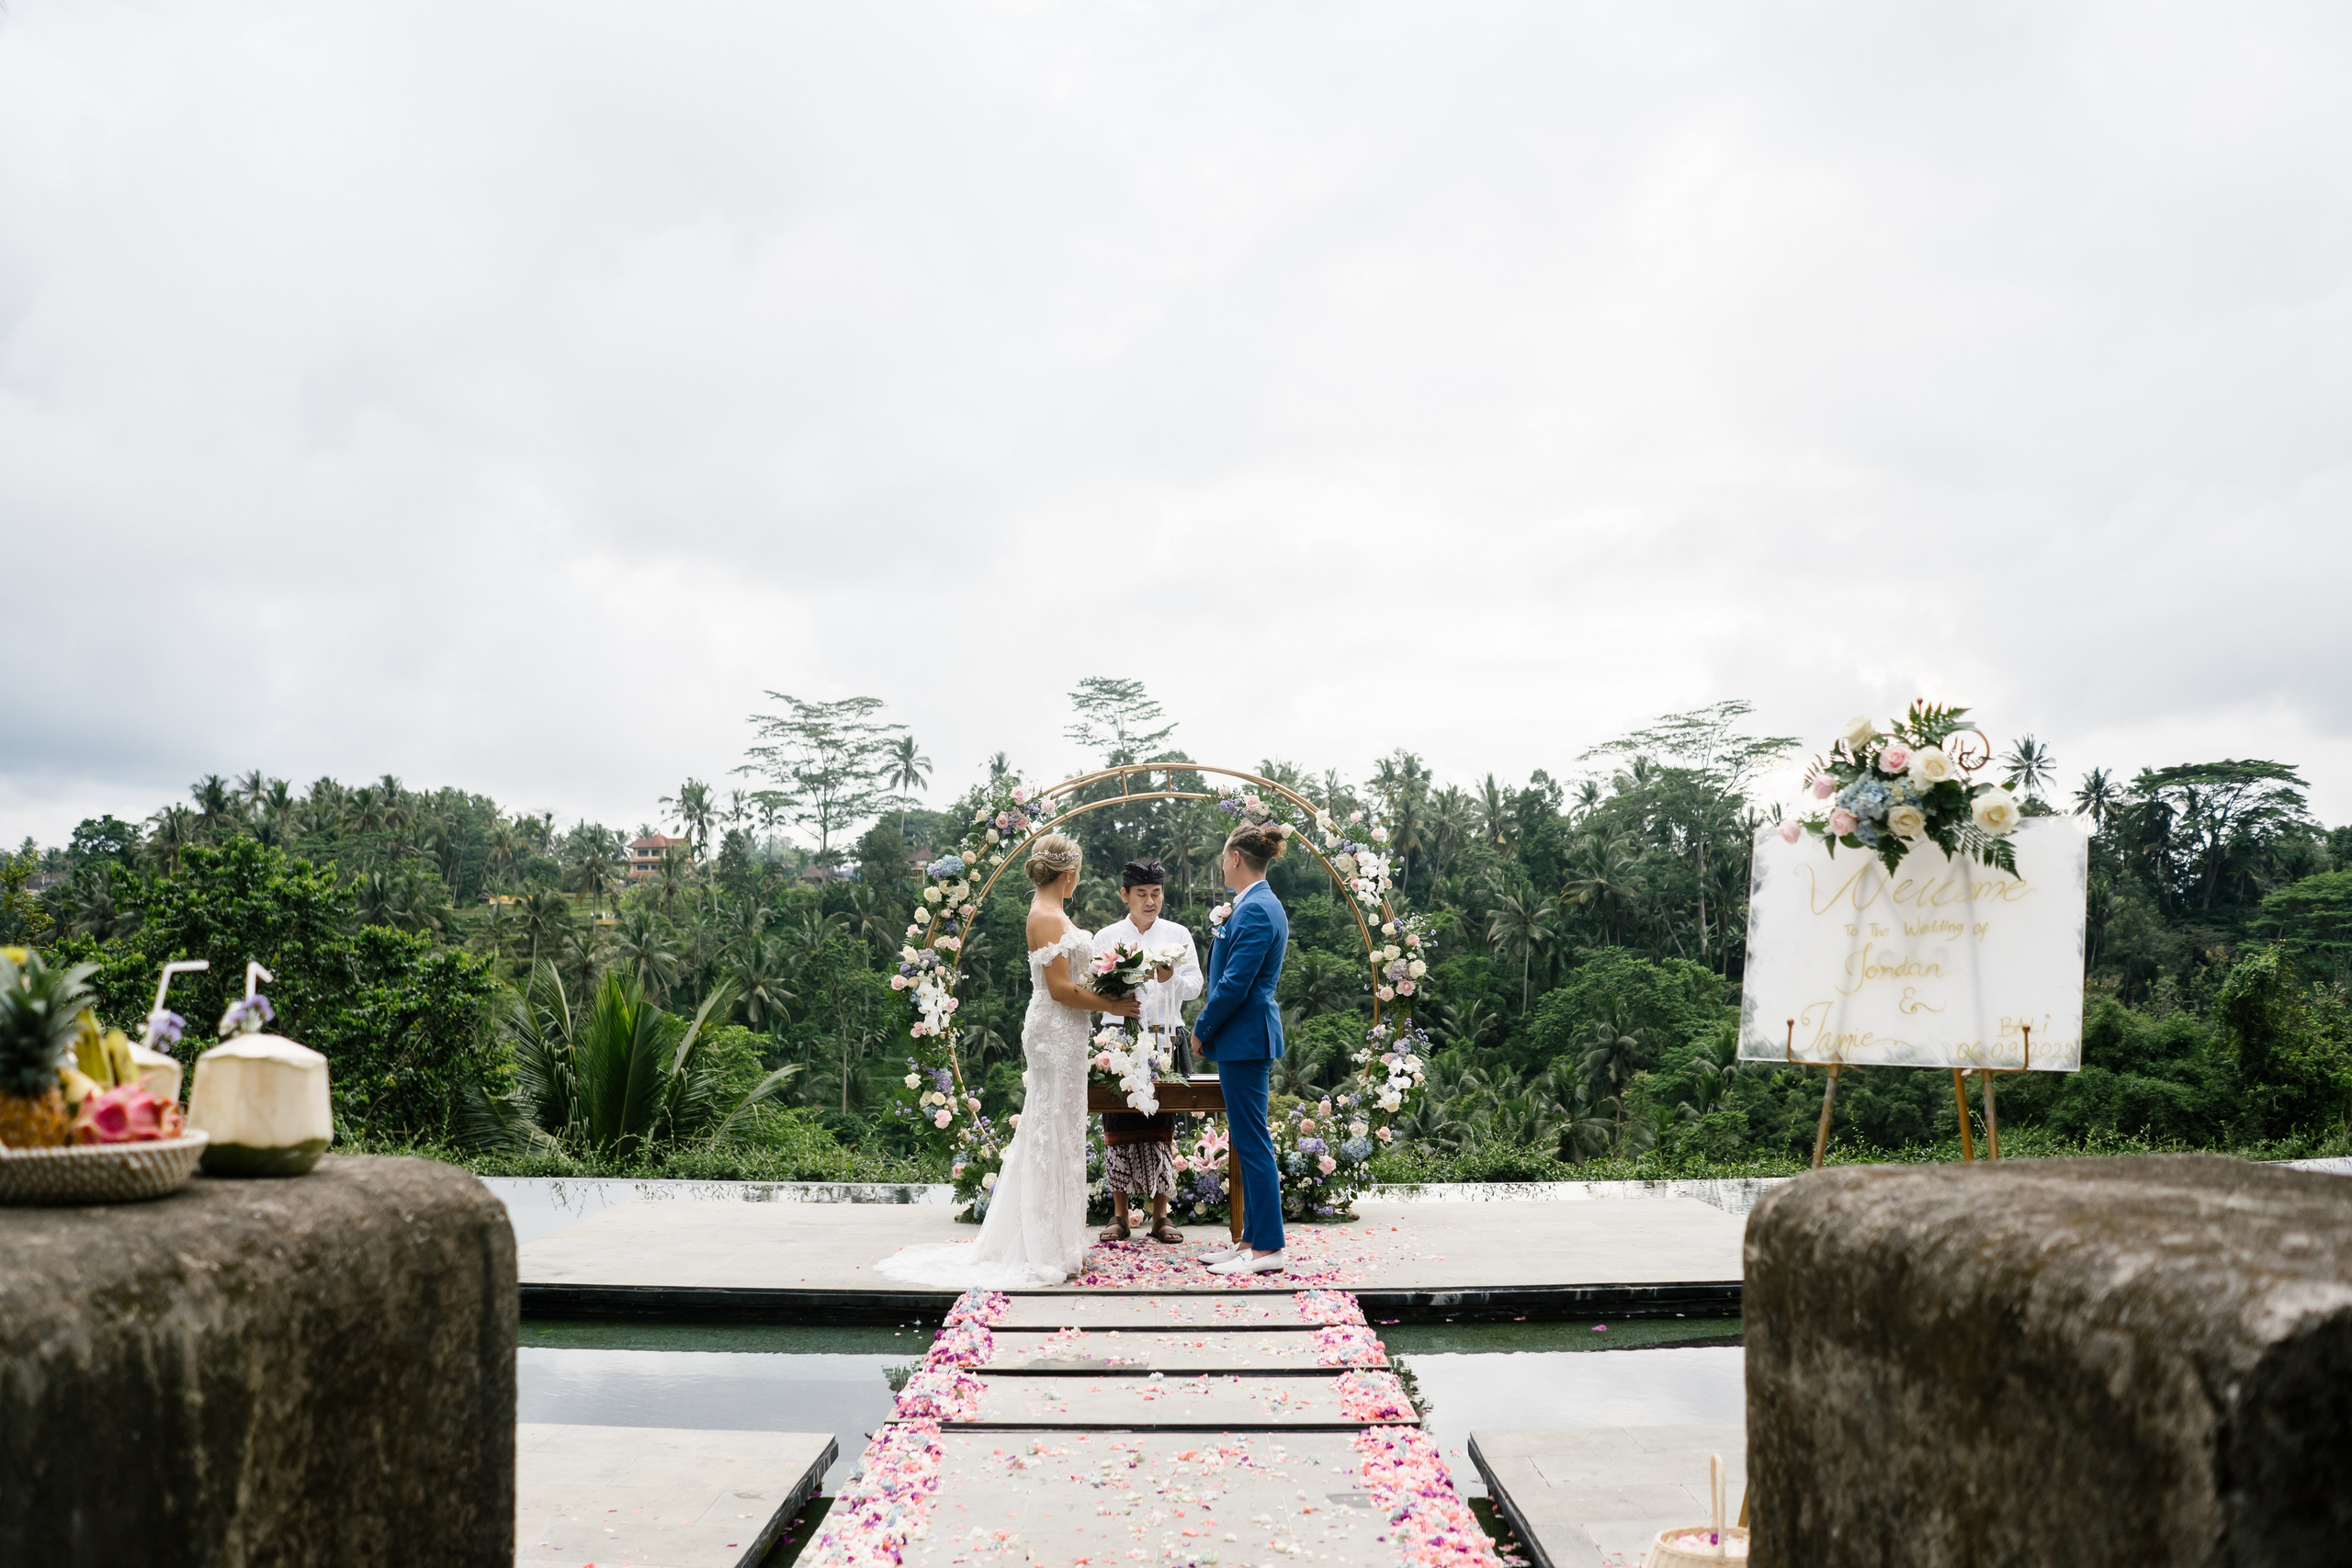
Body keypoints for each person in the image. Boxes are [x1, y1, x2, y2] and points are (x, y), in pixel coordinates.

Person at [876, 833, 1139, 1287]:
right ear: (1070, 873)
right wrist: (1111, 1005)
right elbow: (1058, 988)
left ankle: (1061, 1239)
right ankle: (1044, 1244)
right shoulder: (1047, 916)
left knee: (1061, 1126)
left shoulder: (1054, 913)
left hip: (1067, 1030)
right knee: (1050, 1128)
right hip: (1053, 1030)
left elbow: (1074, 977)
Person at [1192, 821, 1290, 1276]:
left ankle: (1269, 1248)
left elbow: (1234, 985)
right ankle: (1249, 1240)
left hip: (1246, 1039)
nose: (1220, 862)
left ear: (1234, 858)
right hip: (1244, 1039)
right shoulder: (1254, 905)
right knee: (1248, 1142)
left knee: (1253, 1144)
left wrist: (1202, 1026)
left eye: (1222, 855)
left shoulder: (1254, 910)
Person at [1092, 858, 1204, 1244]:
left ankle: (1161, 1216)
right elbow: (1092, 987)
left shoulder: (1178, 934)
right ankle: (1119, 1215)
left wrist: (1172, 978)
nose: (1150, 901)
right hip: (1117, 1039)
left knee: (1163, 1127)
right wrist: (1113, 994)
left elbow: (1196, 985)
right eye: (1141, 894)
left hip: (1166, 1039)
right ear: (1125, 895)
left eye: (1156, 893)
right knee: (1117, 1124)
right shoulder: (1106, 936)